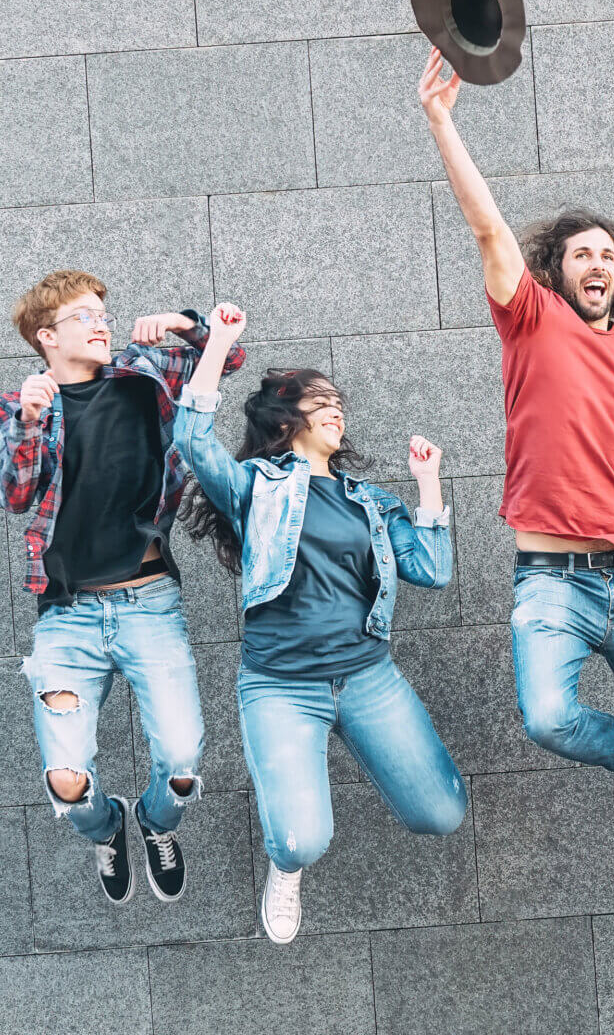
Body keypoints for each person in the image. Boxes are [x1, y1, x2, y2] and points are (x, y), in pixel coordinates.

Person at [420, 47, 614, 818]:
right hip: (551, 581)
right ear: (554, 272)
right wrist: (441, 120)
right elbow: (488, 230)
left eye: (608, 256)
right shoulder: (530, 319)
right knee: (548, 717)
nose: (598, 263)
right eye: (582, 253)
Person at [176, 309, 465, 945]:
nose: (336, 411)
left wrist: (427, 486)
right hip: (281, 685)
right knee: (303, 839)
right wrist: (218, 341)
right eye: (320, 402)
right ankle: (285, 866)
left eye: (339, 403)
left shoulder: (371, 500)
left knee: (442, 814)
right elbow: (194, 444)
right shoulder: (258, 486)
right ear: (286, 420)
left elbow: (432, 569)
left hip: (368, 678)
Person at [0, 270, 245, 905]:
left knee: (183, 764)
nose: (100, 322)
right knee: (67, 784)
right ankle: (107, 828)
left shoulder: (145, 373)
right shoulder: (22, 404)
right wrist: (27, 421)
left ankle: (156, 822)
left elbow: (229, 352)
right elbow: (16, 497)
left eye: (101, 312)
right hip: (67, 619)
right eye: (83, 316)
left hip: (148, 603)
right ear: (47, 336)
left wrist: (186, 325)